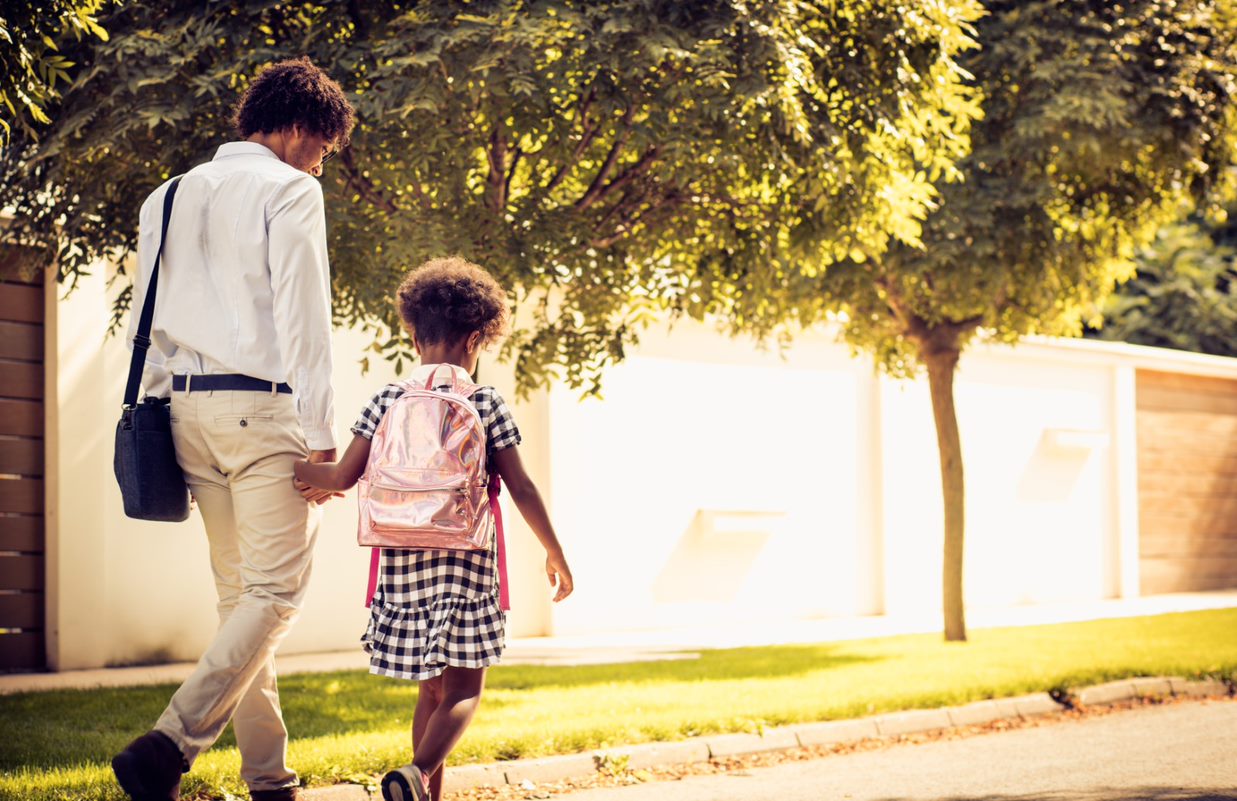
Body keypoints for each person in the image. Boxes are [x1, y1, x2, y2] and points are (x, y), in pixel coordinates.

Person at [111, 57, 355, 801]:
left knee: (238, 601)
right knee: (276, 596)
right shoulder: (290, 190)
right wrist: (323, 437)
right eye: (322, 145)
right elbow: (305, 319)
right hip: (265, 415)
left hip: (186, 412)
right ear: (293, 128)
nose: (322, 161)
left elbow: (146, 320)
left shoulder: (169, 194)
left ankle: (269, 778)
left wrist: (155, 406)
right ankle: (170, 742)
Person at [292, 257, 574, 801]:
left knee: (431, 691)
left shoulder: (386, 400)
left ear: (415, 336)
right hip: (467, 566)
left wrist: (288, 467)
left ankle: (422, 791)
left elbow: (342, 477)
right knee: (466, 688)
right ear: (477, 337)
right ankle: (417, 774)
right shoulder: (485, 403)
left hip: (402, 565)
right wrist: (554, 552)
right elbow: (522, 488)